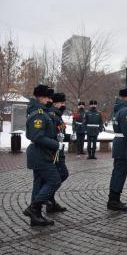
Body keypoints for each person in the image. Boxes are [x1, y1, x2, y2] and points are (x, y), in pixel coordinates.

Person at [23, 85, 62, 227]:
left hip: (41, 152)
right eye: (48, 97)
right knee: (54, 180)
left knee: (38, 184)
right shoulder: (39, 113)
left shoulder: (41, 111)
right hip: (39, 153)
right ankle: (33, 209)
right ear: (41, 97)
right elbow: (37, 136)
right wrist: (56, 144)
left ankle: (36, 216)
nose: (50, 100)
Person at [107, 87, 127, 211]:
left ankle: (114, 198)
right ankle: (114, 200)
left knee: (117, 172)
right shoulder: (125, 110)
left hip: (118, 142)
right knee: (120, 173)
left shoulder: (117, 109)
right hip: (123, 144)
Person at [45, 92, 69, 213]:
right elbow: (51, 134)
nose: (64, 105)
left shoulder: (58, 115)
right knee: (62, 174)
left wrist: (68, 137)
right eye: (62, 103)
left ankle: (50, 201)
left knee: (60, 175)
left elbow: (60, 133)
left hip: (58, 149)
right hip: (55, 151)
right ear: (55, 103)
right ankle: (47, 199)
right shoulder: (53, 114)